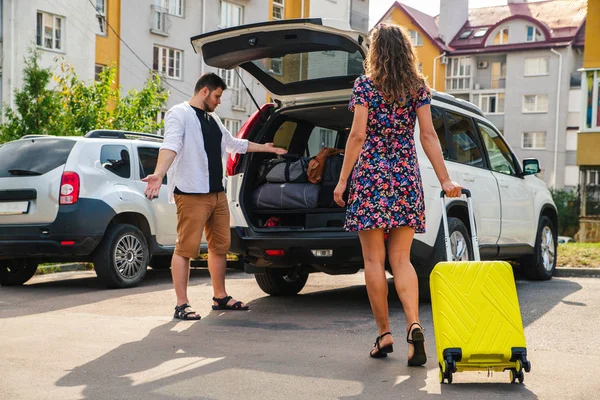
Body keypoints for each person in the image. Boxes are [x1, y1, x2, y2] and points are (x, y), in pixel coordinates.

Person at [333, 23, 463, 364]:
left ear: (375, 52)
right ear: (406, 51)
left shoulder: (364, 85)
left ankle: (384, 334)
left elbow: (357, 136)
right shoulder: (417, 86)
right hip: (405, 178)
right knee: (401, 260)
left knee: (374, 261)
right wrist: (446, 180)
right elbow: (429, 135)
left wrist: (343, 181)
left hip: (371, 179)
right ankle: (414, 325)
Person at [143, 73, 287, 320]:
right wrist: (158, 173)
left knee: (220, 247)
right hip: (191, 193)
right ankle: (182, 304)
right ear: (204, 91)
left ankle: (220, 297)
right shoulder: (179, 114)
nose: (219, 101)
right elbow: (171, 145)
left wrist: (265, 148)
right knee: (185, 249)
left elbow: (234, 144)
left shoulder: (214, 119)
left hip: (216, 194)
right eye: (217, 96)